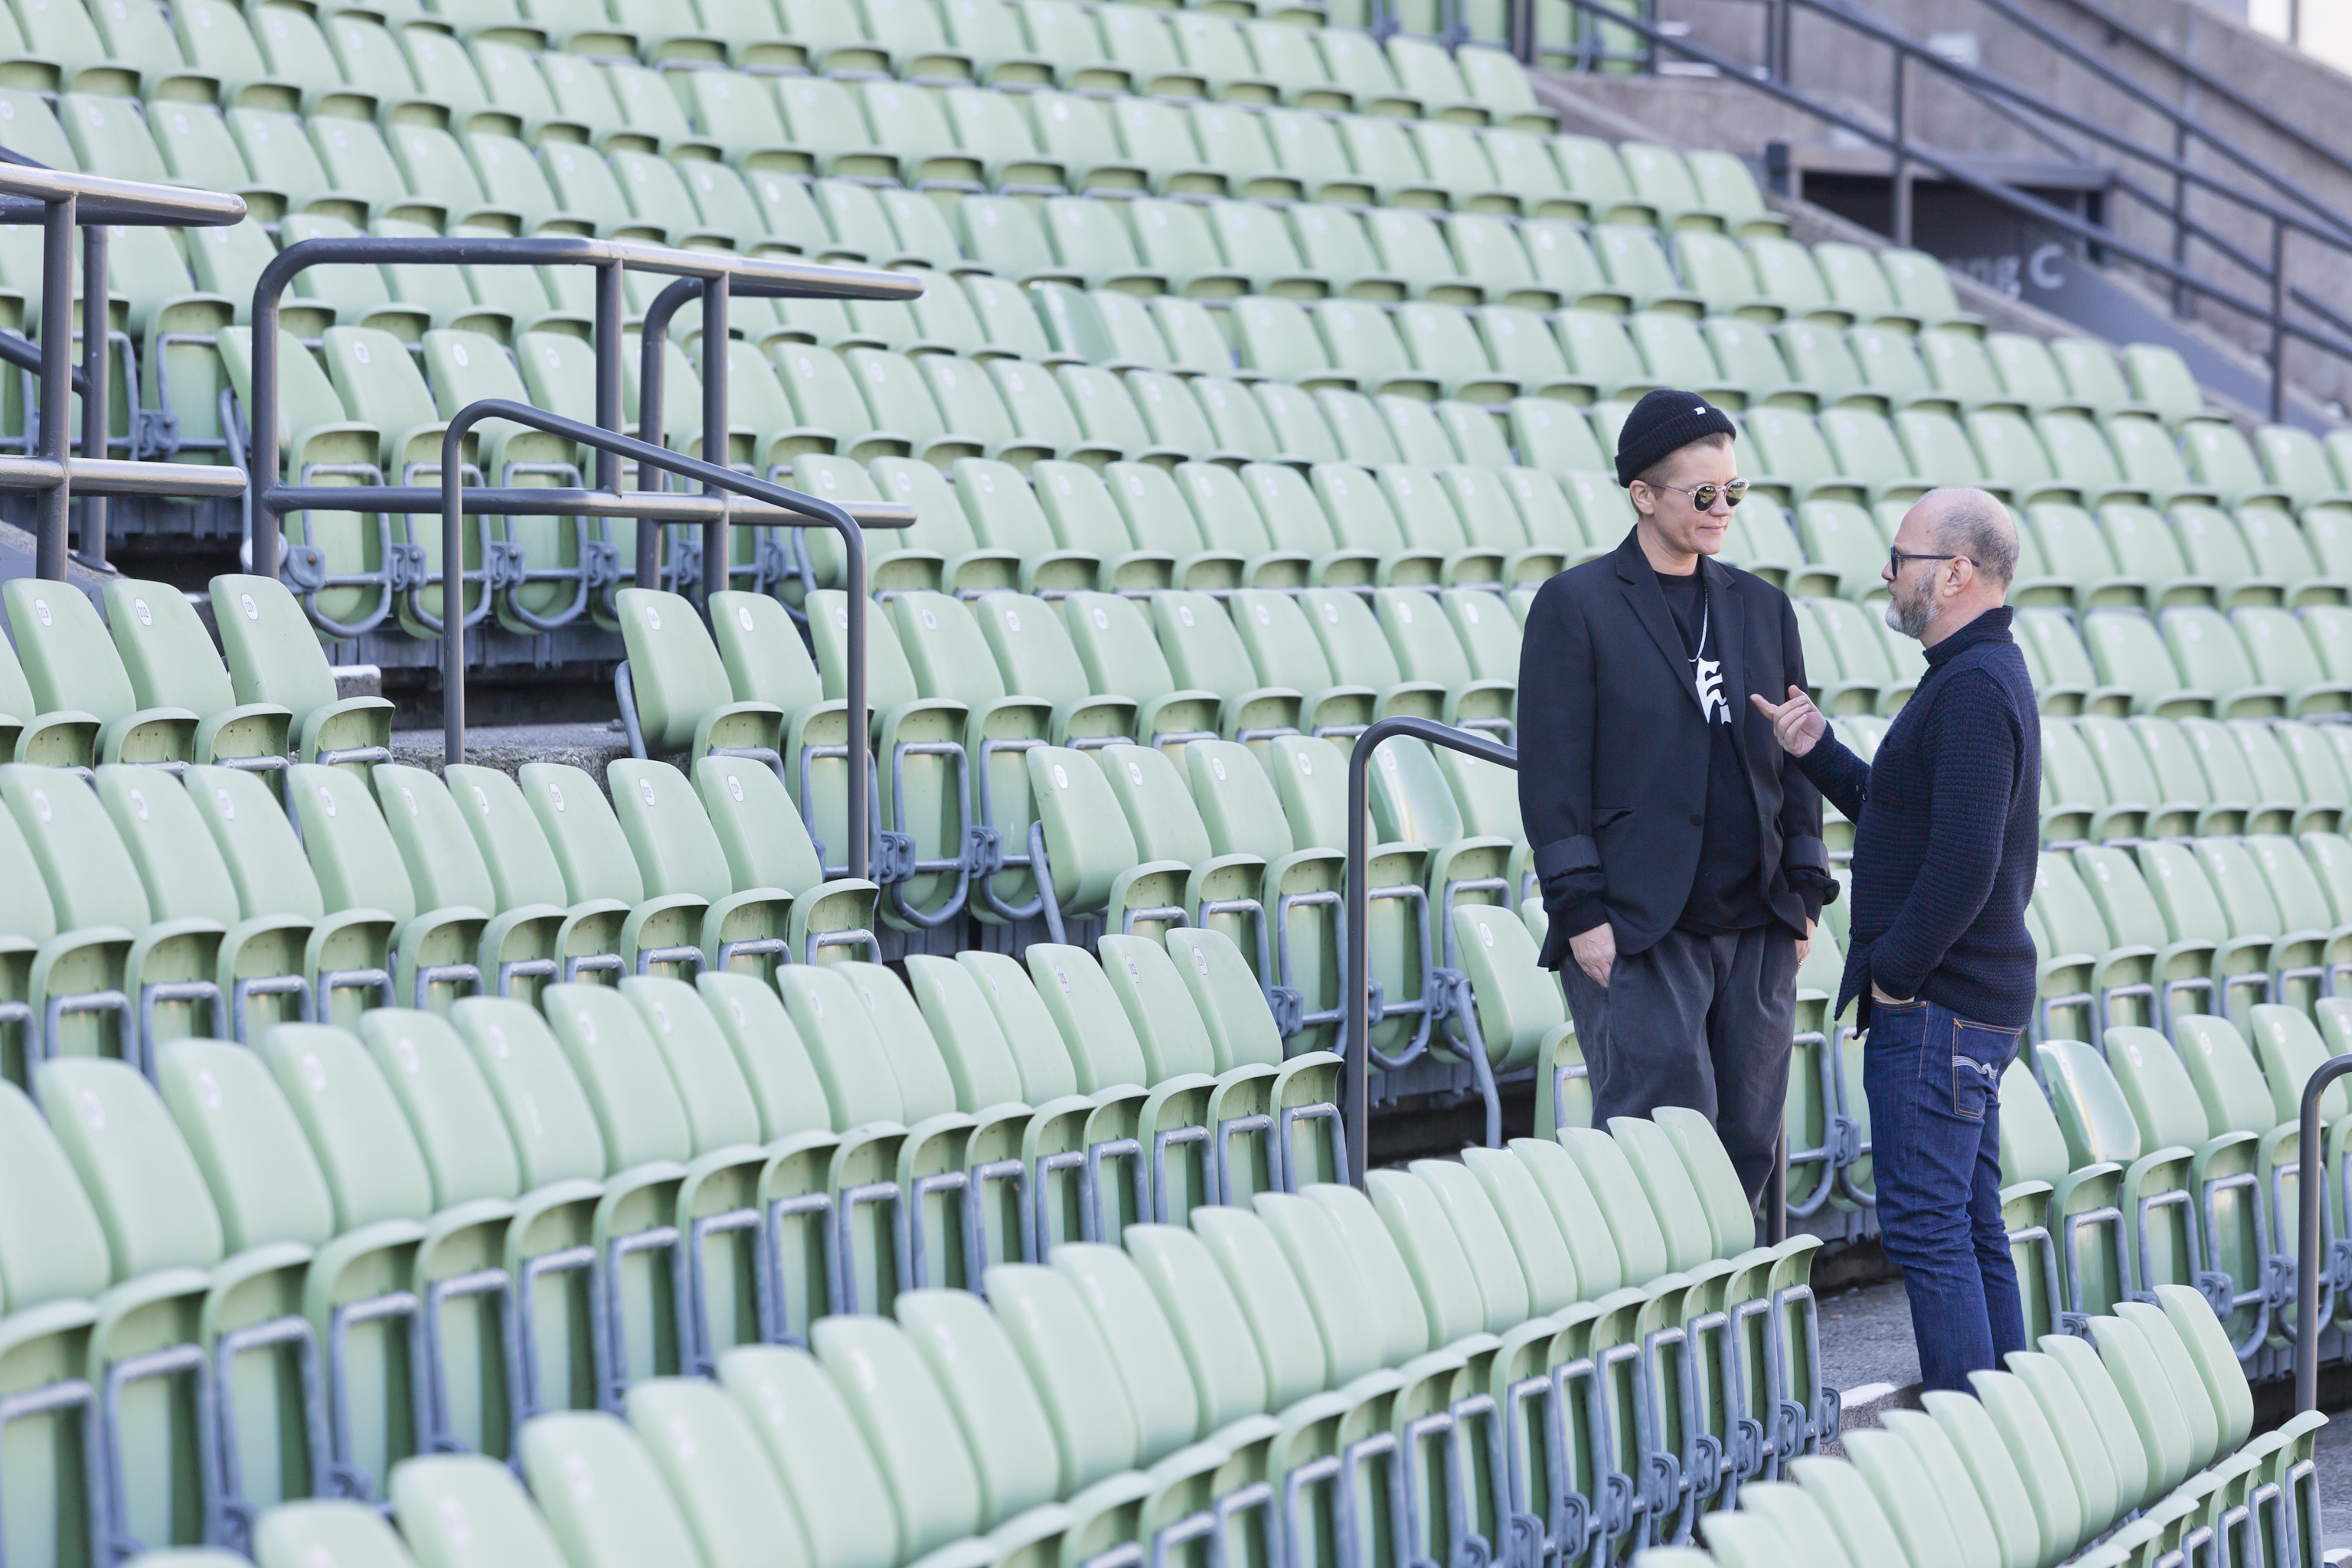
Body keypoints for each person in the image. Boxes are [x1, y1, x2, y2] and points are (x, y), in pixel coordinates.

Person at [1752, 487, 2040, 1393]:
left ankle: (1976, 1436)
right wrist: (1819, 748)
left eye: (1903, 557)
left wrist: (1895, 978)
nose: (1887, 571)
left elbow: (1963, 861)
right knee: (1971, 1225)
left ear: (1955, 573)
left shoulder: (1973, 685)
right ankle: (2008, 1426)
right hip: (1962, 1004)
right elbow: (1909, 815)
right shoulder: (1972, 672)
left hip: (1939, 1007)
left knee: (1929, 1228)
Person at [1517, 388, 1834, 1200]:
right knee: (1657, 1144)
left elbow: (1798, 757)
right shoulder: (1576, 605)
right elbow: (1553, 774)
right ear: (1643, 495)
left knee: (1748, 1142)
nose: (1722, 509)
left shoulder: (1763, 606)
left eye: (1734, 490)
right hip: (1639, 924)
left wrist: (1805, 892)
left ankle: (1728, 1287)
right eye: (1704, 494)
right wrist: (1580, 912)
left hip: (1759, 920)